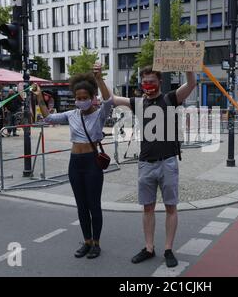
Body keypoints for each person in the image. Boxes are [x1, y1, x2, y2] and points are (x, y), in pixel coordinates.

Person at [112, 66, 197, 268]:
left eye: (152, 81)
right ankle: (149, 248)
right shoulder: (139, 103)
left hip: (167, 161)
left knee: (170, 207)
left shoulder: (170, 98)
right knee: (147, 207)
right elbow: (112, 99)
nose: (148, 85)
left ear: (160, 82)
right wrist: (98, 80)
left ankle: (168, 249)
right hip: (145, 163)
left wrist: (188, 65)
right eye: (145, 82)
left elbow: (192, 84)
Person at [32, 64, 112, 259]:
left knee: (94, 205)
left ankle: (96, 243)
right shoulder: (71, 115)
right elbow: (48, 117)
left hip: (92, 162)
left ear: (92, 97)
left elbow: (109, 100)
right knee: (81, 205)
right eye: (78, 98)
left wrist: (99, 78)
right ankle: (86, 241)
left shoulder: (100, 113)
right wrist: (39, 96)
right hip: (75, 163)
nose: (81, 101)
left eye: (85, 98)